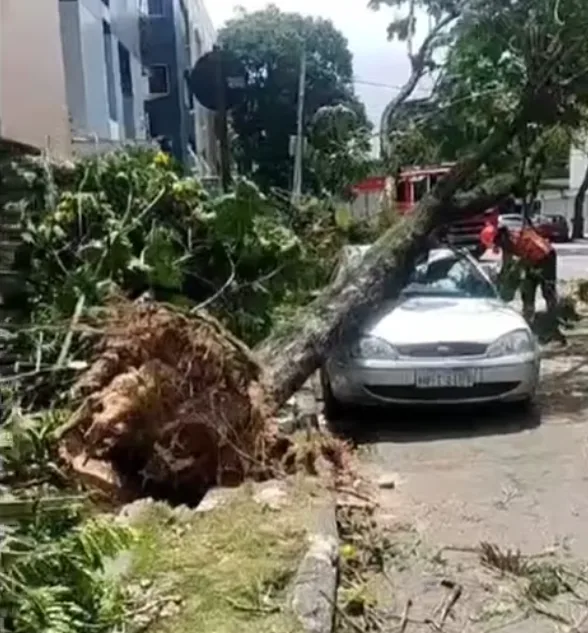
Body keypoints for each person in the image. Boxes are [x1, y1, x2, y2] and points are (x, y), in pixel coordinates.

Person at [480, 218, 558, 325]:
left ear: (498, 238)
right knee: (528, 288)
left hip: (546, 257)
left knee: (546, 288)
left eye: (494, 243)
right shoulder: (510, 236)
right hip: (536, 256)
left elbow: (508, 265)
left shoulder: (508, 242)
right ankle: (530, 317)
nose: (496, 246)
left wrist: (500, 282)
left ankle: (553, 317)